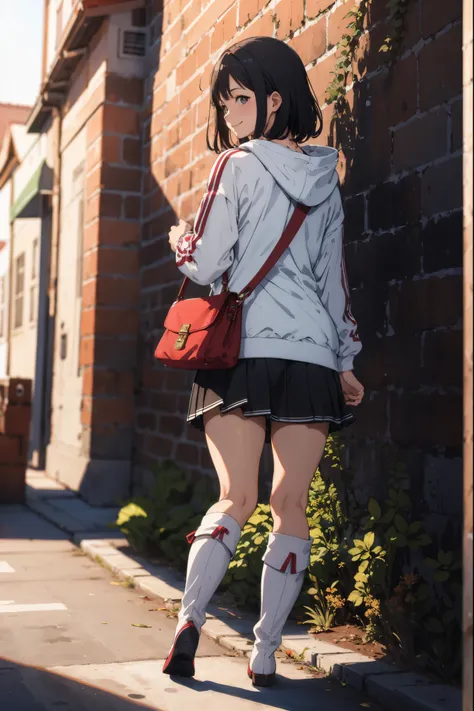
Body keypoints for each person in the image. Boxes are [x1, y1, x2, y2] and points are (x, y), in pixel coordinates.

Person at [162, 36, 364, 687]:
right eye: (224, 104)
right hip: (310, 356)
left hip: (241, 350)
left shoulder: (236, 166)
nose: (230, 116)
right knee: (290, 503)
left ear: (275, 100)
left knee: (235, 495)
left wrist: (179, 240)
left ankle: (190, 622)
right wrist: (345, 361)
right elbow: (335, 281)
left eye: (240, 99)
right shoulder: (324, 179)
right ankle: (267, 650)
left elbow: (206, 261)